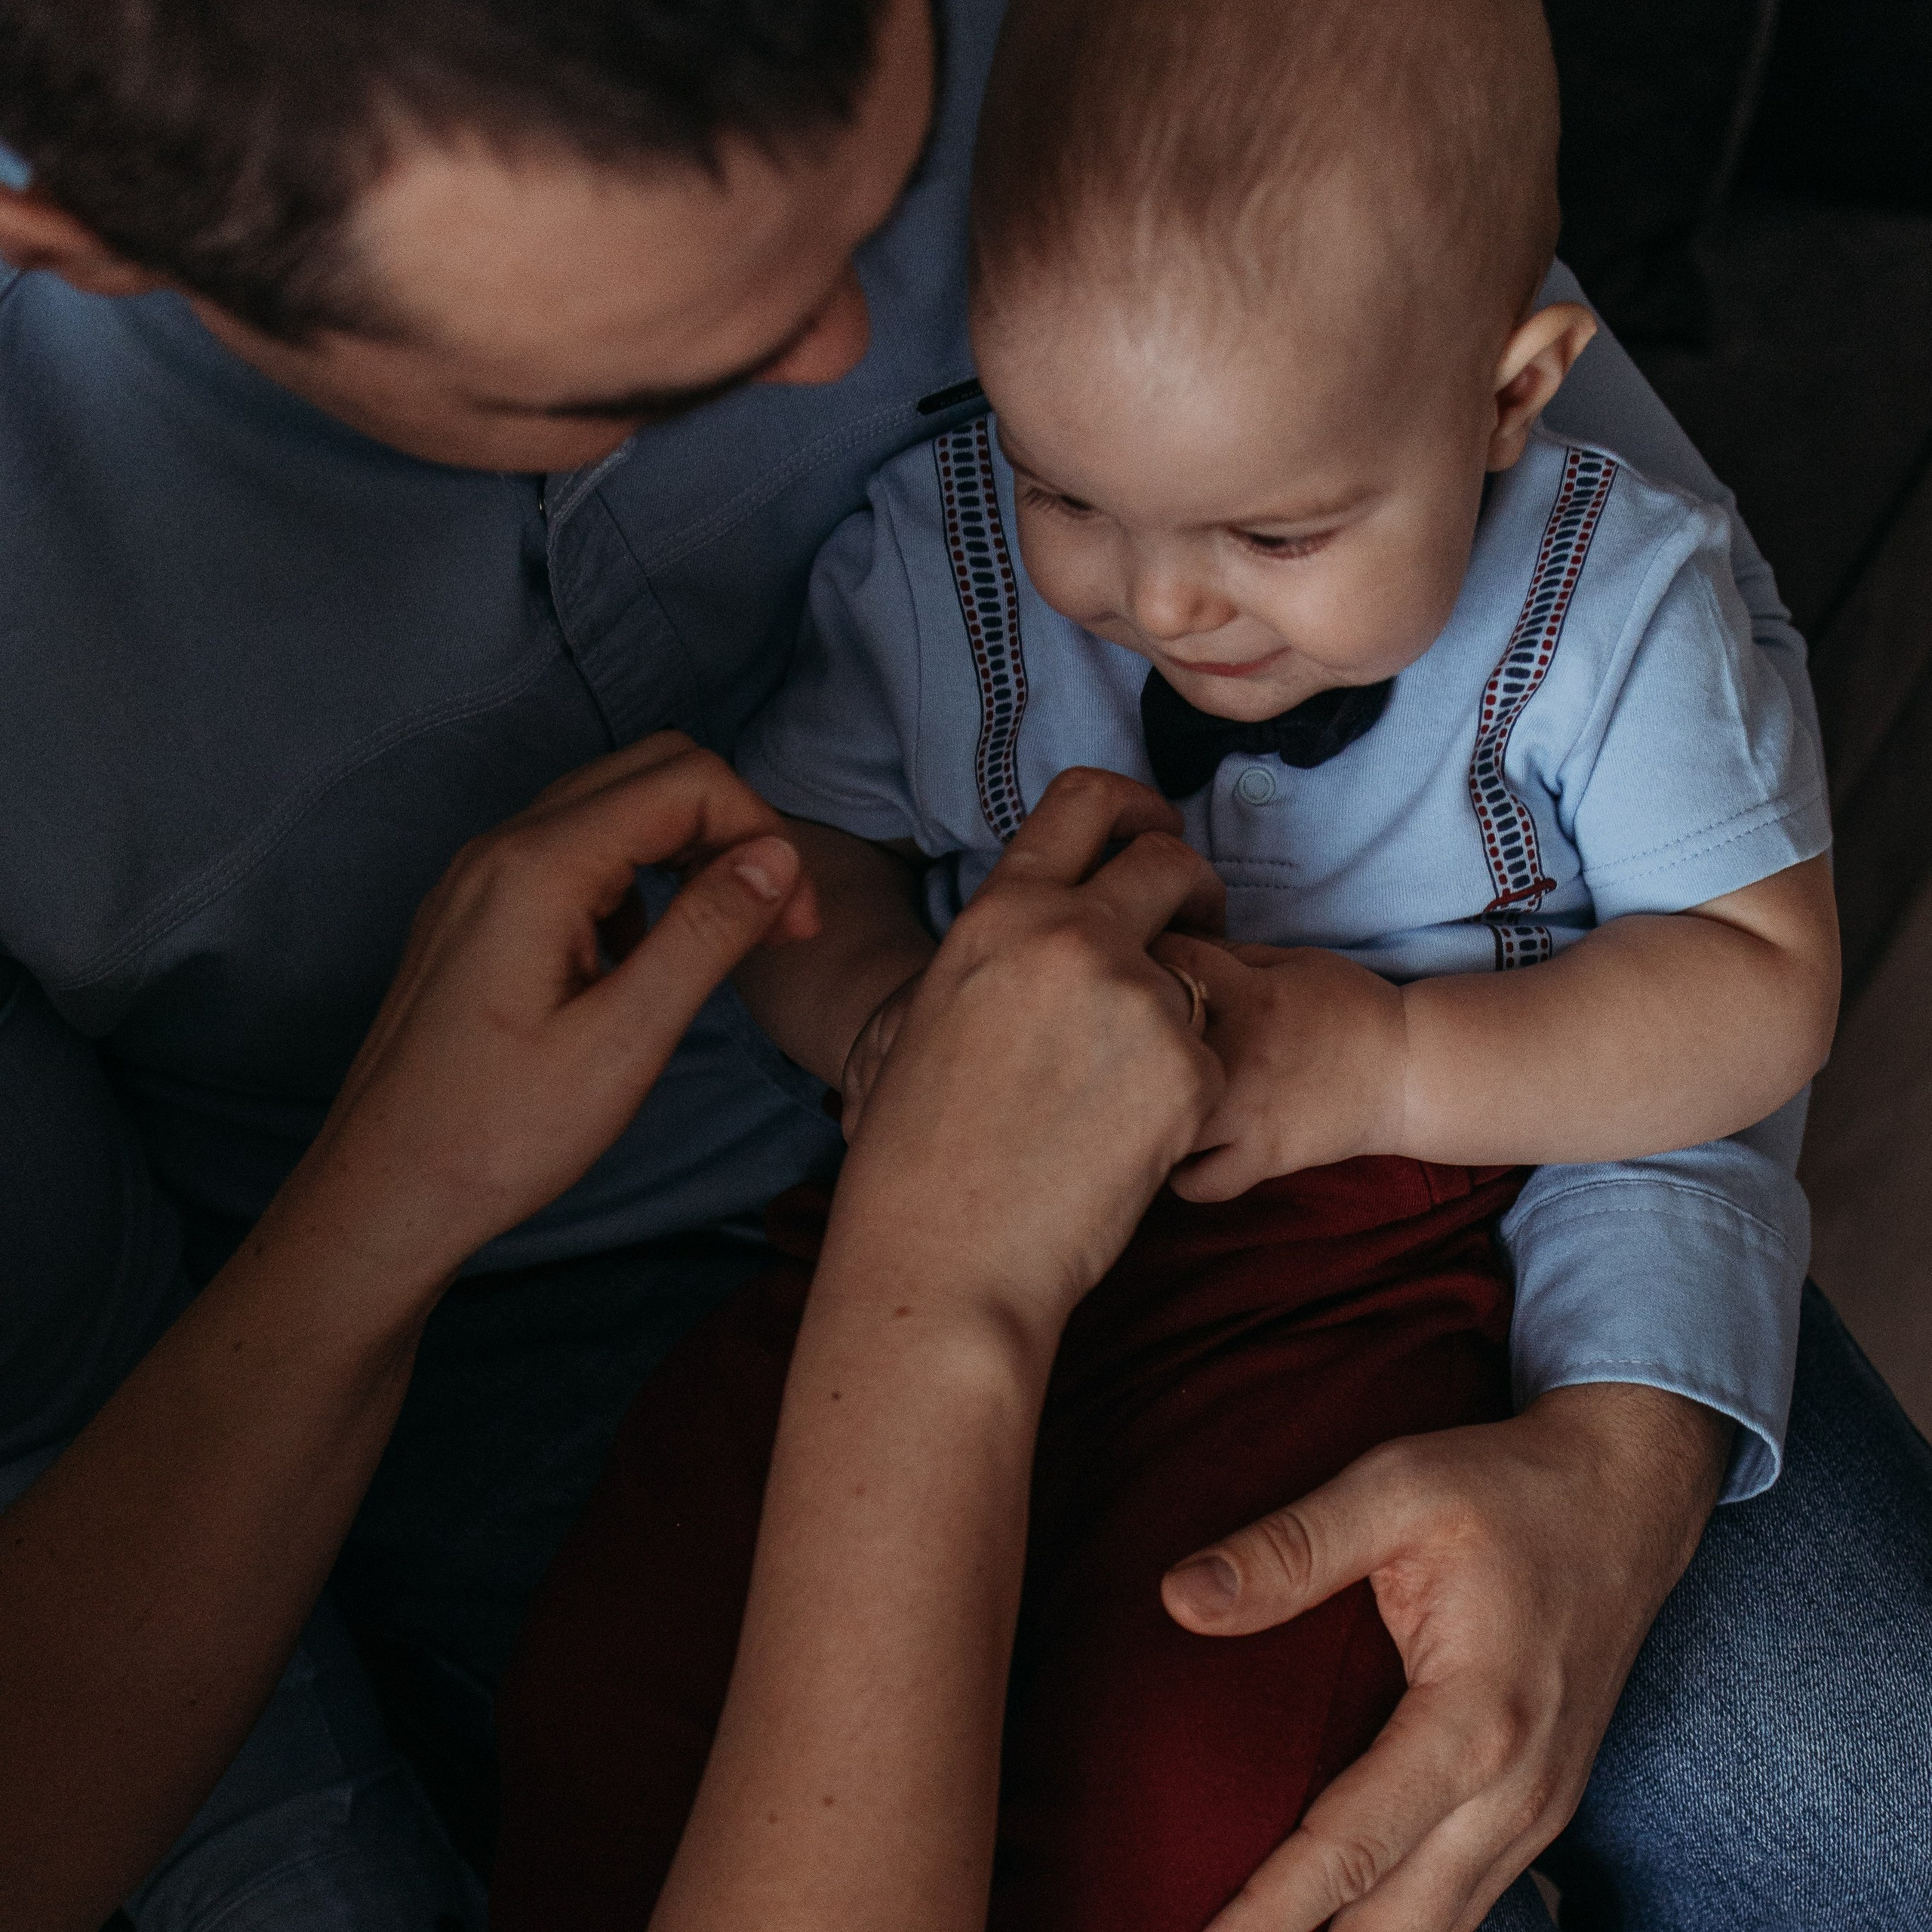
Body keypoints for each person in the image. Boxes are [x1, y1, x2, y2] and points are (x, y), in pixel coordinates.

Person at [0, 1, 1925, 1928]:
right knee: (619, 1729)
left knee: (1807, 1803)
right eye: (1059, 482)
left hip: (1415, 1204)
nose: (852, 350)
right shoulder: (937, 552)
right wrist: (880, 1039)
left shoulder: (1246, 136)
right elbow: (794, 859)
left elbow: (1719, 914)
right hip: (585, 1293)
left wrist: (1607, 1411)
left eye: (890, 205)